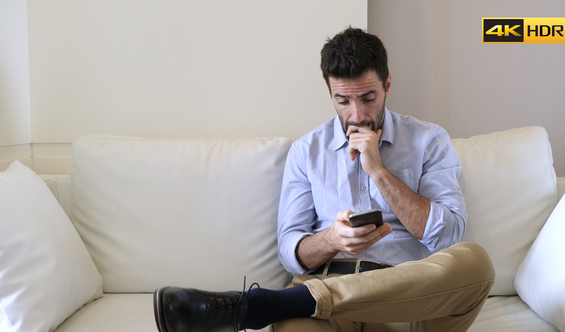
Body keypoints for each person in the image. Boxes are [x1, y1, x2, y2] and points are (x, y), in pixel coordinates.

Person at [153, 27, 495, 332]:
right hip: (326, 304)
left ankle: (266, 305)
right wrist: (333, 239)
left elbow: (448, 235)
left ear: (387, 84)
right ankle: (297, 303)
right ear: (329, 92)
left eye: (368, 98)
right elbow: (291, 253)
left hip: (405, 302)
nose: (357, 115)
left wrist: (378, 171)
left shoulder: (429, 140)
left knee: (476, 263)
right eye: (343, 101)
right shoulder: (306, 151)